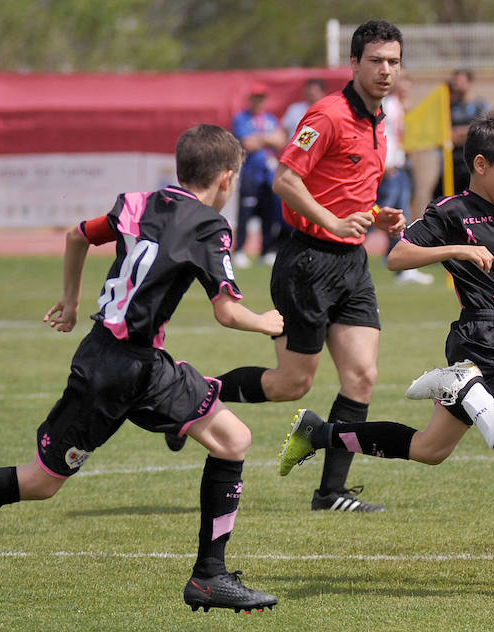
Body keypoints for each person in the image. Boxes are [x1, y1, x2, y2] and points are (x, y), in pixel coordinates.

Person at [0, 124, 282, 614]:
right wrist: (267, 322)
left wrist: (70, 302)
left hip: (139, 364)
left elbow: (77, 235)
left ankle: (209, 576)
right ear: (226, 176)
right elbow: (227, 312)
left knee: (232, 440)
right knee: (41, 483)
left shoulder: (135, 202)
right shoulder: (211, 226)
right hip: (112, 372)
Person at [278, 116, 494, 591]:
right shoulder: (456, 210)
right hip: (479, 338)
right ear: (481, 165)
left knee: (430, 449)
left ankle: (323, 433)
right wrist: (456, 249)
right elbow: (397, 257)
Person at [183, 20, 406, 514]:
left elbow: (345, 192)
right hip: (307, 262)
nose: (386, 70)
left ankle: (329, 493)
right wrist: (332, 220)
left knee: (362, 378)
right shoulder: (326, 115)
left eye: (393, 61)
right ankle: (189, 397)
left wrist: (375, 216)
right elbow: (286, 180)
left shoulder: (381, 116)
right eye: (376, 60)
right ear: (354, 64)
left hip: (351, 264)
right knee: (293, 385)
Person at [376, 73, 430, 285]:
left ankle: (402, 264)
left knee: (399, 215)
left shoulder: (398, 105)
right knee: (384, 214)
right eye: (404, 84)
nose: (406, 88)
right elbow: (382, 134)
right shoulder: (387, 104)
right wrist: (385, 161)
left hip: (398, 165)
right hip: (390, 167)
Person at [231, 83, 288, 268]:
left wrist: (261, 138)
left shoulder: (270, 119)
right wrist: (267, 139)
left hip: (268, 174)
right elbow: (247, 143)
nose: (259, 102)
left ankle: (267, 250)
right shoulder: (241, 118)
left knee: (270, 212)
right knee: (245, 213)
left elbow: (280, 140)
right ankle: (240, 250)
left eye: (262, 98)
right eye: (256, 98)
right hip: (249, 173)